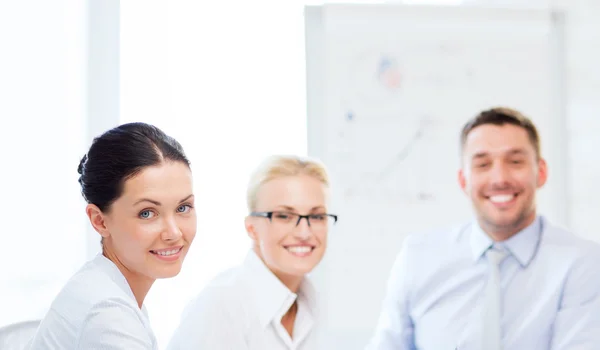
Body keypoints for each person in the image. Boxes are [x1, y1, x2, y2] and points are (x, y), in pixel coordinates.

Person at [367, 107, 600, 349]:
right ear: (463, 180)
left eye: (515, 162)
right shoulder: (418, 256)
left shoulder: (582, 263)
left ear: (540, 172)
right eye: (482, 164)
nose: (499, 178)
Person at [27, 122, 197, 349]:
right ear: (99, 220)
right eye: (147, 213)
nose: (174, 232)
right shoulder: (107, 313)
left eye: (183, 208)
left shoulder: (109, 291)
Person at [166, 155, 337, 350]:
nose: (304, 232)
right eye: (284, 216)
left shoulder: (314, 304)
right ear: (252, 229)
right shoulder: (220, 306)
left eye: (316, 216)